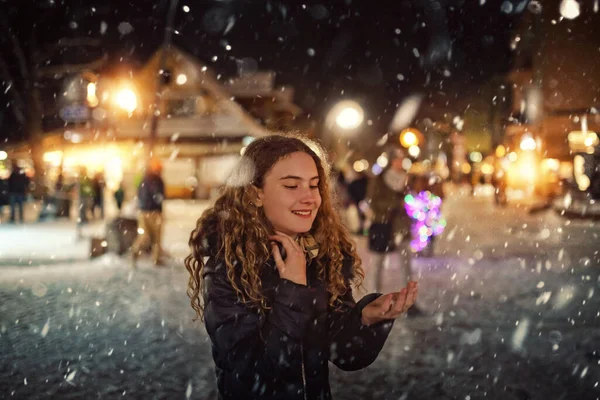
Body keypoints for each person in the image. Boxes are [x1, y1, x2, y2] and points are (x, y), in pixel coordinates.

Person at [185, 134, 418, 399]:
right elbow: (252, 379)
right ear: (255, 193)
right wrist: (293, 289)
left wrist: (367, 318)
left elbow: (342, 352)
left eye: (314, 185)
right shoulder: (229, 269)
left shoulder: (319, 256)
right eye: (292, 186)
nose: (310, 198)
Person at [366, 148, 420, 313]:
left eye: (401, 159)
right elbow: (373, 201)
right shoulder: (381, 179)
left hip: (401, 227)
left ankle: (409, 302)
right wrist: (394, 206)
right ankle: (373, 299)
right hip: (384, 226)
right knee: (378, 265)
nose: (399, 162)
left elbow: (410, 197)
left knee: (406, 265)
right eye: (397, 159)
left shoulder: (406, 178)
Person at [130, 158, 165, 267]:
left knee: (144, 236)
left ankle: (135, 252)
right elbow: (159, 195)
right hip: (154, 212)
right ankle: (156, 259)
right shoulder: (157, 179)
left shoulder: (143, 179)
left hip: (143, 211)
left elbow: (139, 194)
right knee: (156, 237)